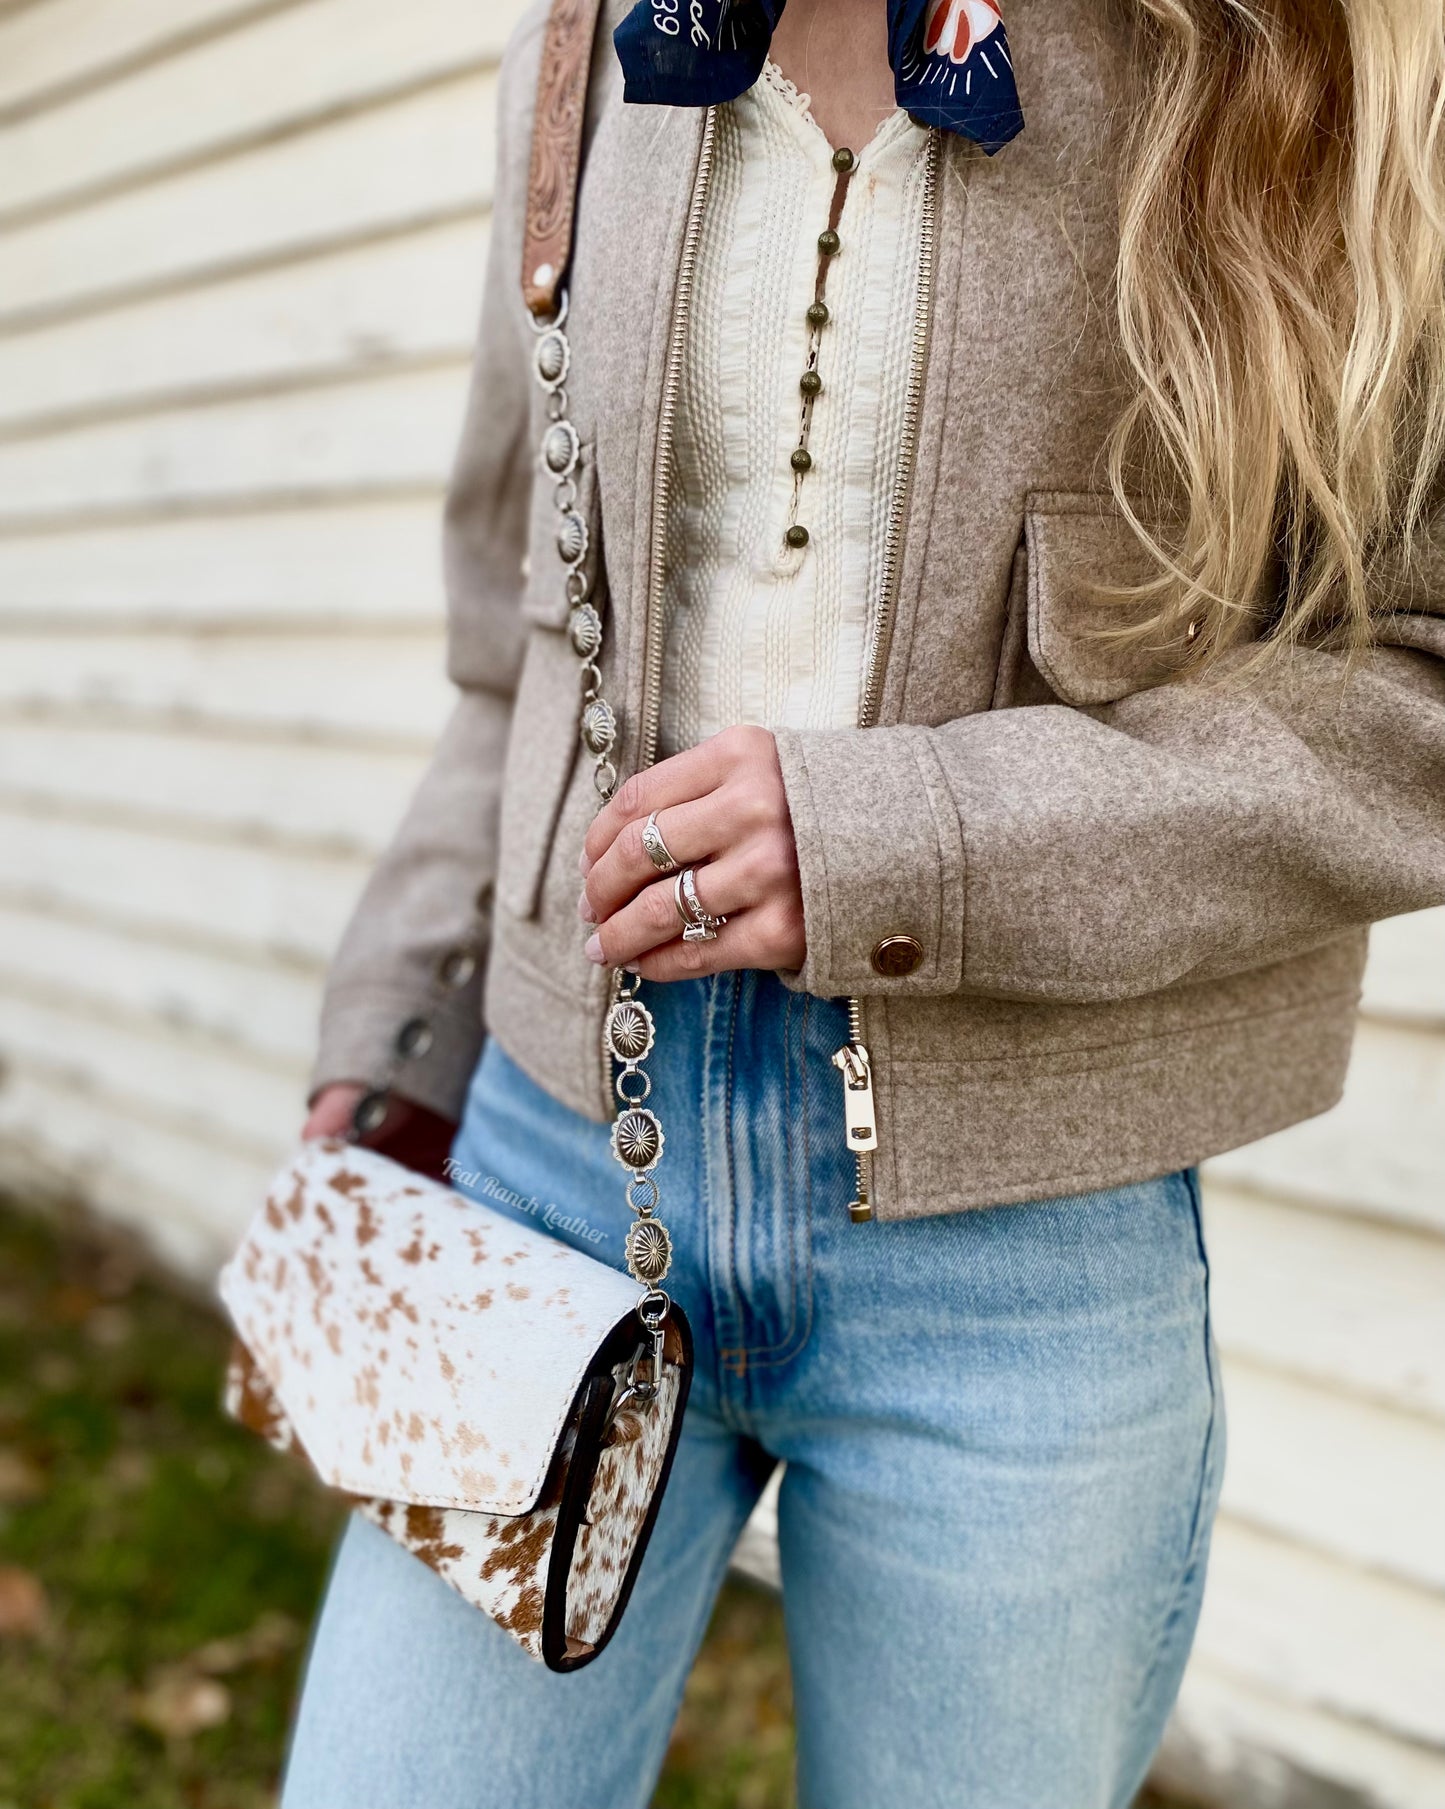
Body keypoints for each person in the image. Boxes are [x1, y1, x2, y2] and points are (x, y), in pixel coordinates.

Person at [279, 0, 1445, 1803]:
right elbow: (521, 630)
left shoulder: (1304, 64)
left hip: (1023, 1238)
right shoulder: (584, 46)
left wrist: (912, 837)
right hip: (545, 1158)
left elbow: (1414, 685)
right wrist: (406, 1021)